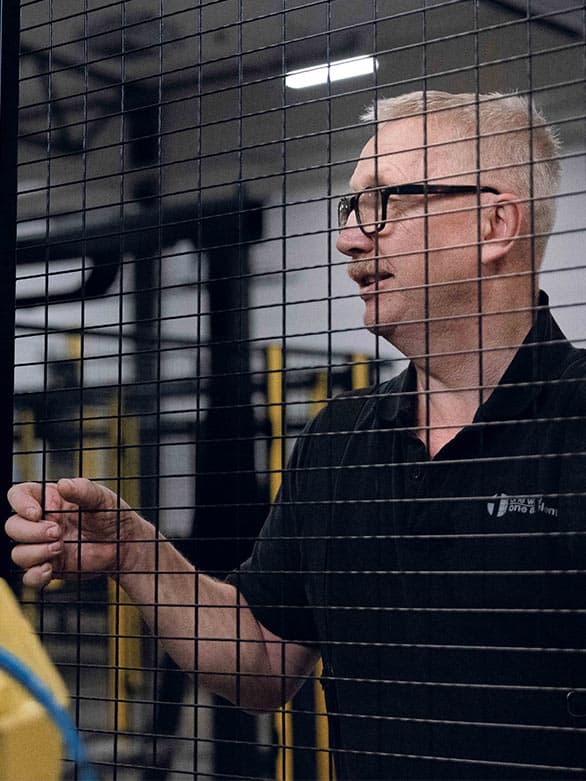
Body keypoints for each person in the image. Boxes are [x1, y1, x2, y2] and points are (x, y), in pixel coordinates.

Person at [6, 91, 586, 779]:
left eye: (387, 201)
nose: (349, 235)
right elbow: (261, 658)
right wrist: (136, 550)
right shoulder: (341, 440)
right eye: (351, 207)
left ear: (494, 223)